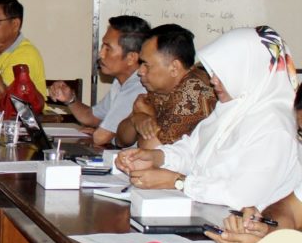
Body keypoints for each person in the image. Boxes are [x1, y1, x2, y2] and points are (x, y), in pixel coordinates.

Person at [116, 26, 302, 210]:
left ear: (248, 71)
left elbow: (243, 196)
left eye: (222, 72)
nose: (213, 80)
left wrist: (178, 182)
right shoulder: (233, 107)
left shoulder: (276, 127)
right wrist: (157, 157)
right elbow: (193, 150)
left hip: (235, 224)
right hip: (206, 214)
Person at [49, 16, 150, 147]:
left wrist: (103, 133)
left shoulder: (138, 86)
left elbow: (101, 137)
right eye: (102, 46)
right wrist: (69, 99)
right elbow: (91, 117)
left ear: (131, 58)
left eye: (108, 49)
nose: (101, 54)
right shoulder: (120, 81)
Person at [115, 24, 216, 148]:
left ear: (174, 68)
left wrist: (150, 118)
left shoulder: (194, 91)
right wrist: (136, 119)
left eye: (146, 65)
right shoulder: (160, 90)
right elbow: (120, 140)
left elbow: (152, 148)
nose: (140, 71)